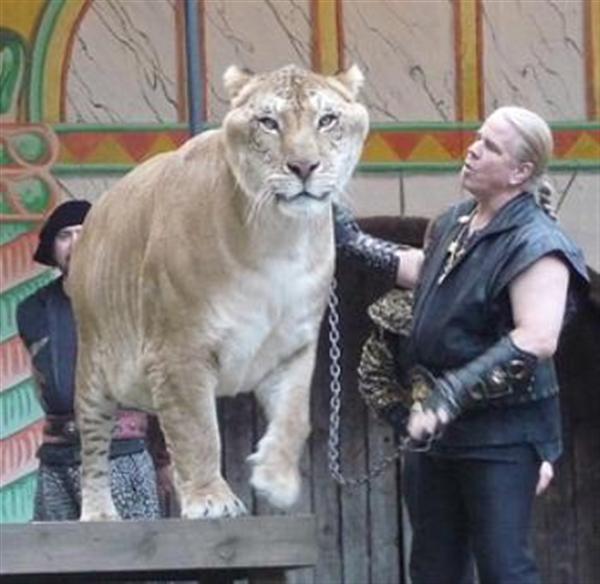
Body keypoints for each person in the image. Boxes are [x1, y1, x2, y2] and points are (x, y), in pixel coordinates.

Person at [334, 106, 589, 584]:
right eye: (478, 138)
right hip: (438, 434)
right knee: (432, 568)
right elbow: (424, 269)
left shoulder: (538, 243)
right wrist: (352, 242)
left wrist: (450, 395)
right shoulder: (457, 221)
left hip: (502, 436)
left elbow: (538, 336)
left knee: (503, 568)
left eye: (490, 146)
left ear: (520, 172)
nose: (472, 150)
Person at [17, 200, 170, 521]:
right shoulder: (33, 309)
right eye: (65, 235)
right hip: (56, 457)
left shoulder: (133, 301)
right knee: (55, 562)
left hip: (122, 453)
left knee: (133, 561)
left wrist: (163, 459)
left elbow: (162, 380)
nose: (76, 244)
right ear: (52, 247)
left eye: (86, 234)